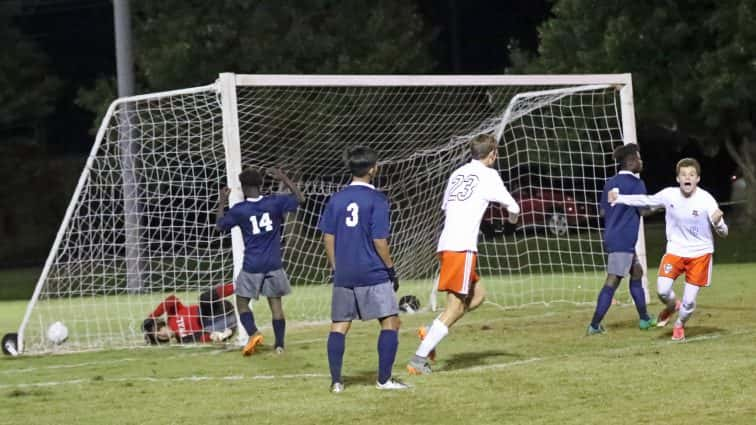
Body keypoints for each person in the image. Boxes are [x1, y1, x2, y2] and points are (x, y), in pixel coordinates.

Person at [407, 134, 520, 375]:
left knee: (478, 295)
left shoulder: (457, 173)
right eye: (496, 153)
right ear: (491, 154)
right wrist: (511, 224)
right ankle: (418, 358)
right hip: (462, 247)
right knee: (455, 307)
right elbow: (514, 207)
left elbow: (448, 206)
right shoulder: (489, 175)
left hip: (447, 242)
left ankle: (432, 330)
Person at [318, 145, 406, 393]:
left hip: (344, 273)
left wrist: (336, 267)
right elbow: (380, 240)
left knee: (339, 325)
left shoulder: (336, 199)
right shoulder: (377, 199)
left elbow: (328, 237)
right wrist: (391, 269)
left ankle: (336, 381)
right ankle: (384, 380)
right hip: (372, 272)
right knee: (391, 322)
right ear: (372, 169)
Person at [609, 157, 728, 341]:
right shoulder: (669, 195)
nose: (687, 178)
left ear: (697, 179)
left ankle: (679, 325)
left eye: (691, 174)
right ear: (678, 179)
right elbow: (646, 200)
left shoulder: (706, 200)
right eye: (683, 174)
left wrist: (719, 222)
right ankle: (672, 307)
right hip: (675, 251)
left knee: (689, 302)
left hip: (700, 254)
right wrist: (620, 198)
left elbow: (724, 232)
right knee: (662, 291)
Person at [216, 167, 304, 355]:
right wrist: (284, 177)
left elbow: (220, 225)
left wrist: (223, 200)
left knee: (241, 303)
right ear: (261, 185)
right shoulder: (274, 202)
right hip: (274, 263)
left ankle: (253, 332)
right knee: (276, 306)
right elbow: (300, 199)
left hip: (252, 265)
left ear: (243, 187)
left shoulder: (240, 210)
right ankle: (279, 345)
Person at [586, 143, 656, 335]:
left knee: (637, 272)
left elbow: (602, 211)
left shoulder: (610, 182)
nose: (641, 161)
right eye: (639, 158)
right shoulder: (636, 183)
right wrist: (662, 205)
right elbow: (643, 210)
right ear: (631, 161)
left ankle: (644, 319)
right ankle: (594, 325)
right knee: (613, 280)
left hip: (611, 235)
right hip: (624, 238)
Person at [142, 282, 237, 344]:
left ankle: (239, 285)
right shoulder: (183, 340)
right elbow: (201, 338)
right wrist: (214, 336)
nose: (161, 333)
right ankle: (223, 334)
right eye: (158, 336)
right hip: (222, 327)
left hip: (217, 310)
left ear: (160, 324)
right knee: (206, 334)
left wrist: (151, 316)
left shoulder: (172, 316)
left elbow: (171, 300)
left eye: (158, 329)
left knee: (204, 299)